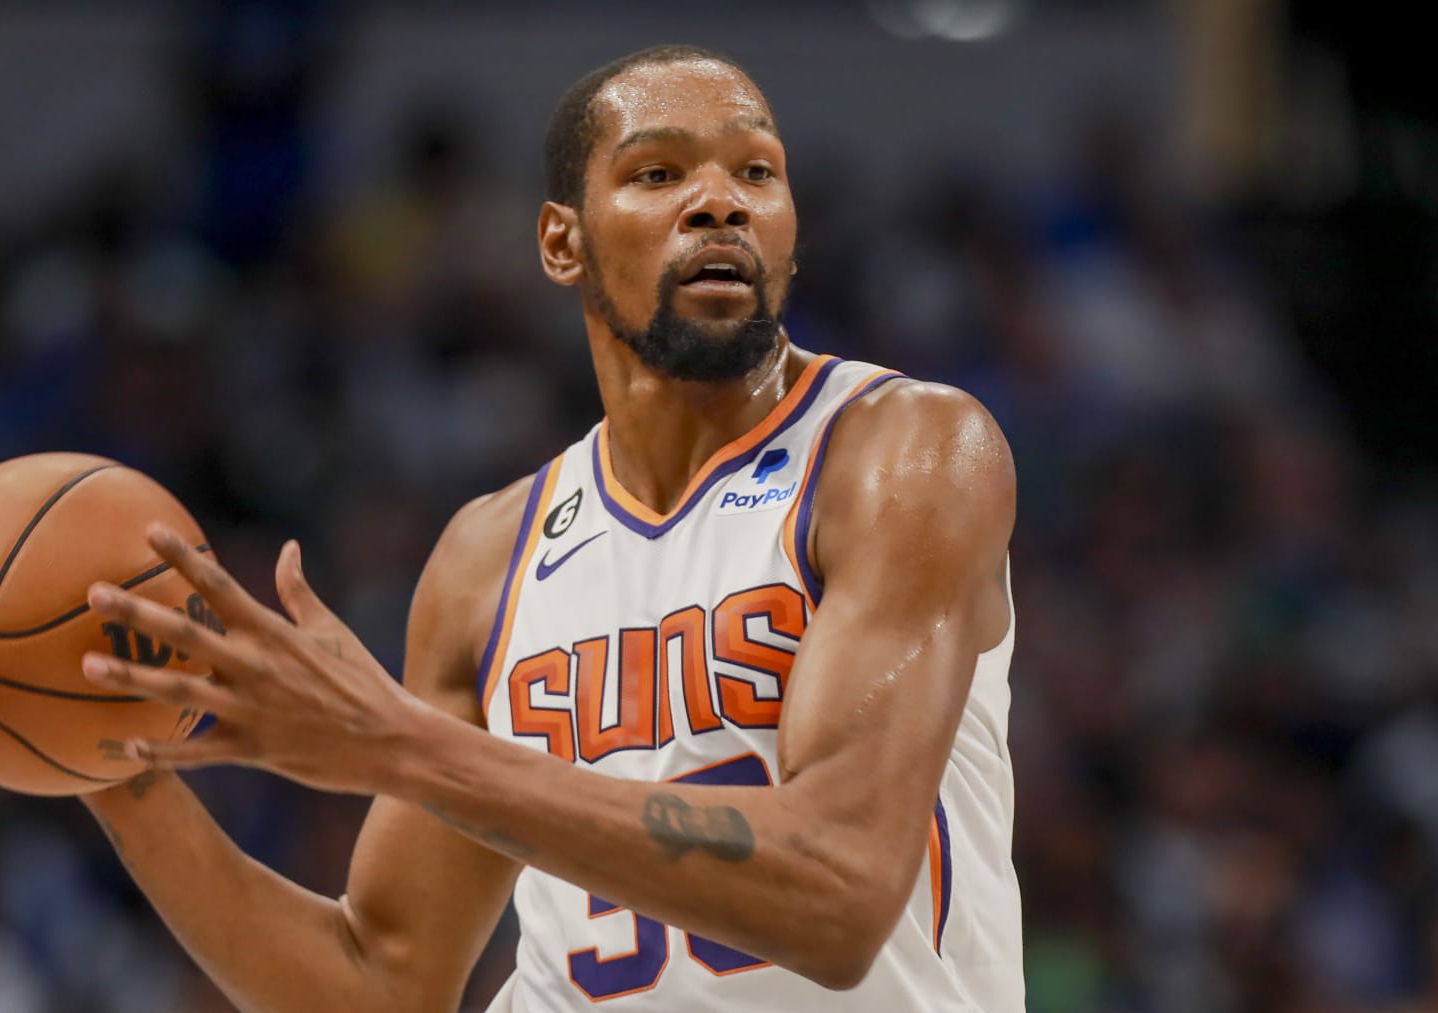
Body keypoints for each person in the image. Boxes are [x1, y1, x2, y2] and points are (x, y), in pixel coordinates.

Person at [76, 44, 1023, 1011]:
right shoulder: (488, 557)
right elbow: (379, 982)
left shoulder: (904, 453)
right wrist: (96, 759)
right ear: (562, 243)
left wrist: (401, 747)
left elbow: (838, 890)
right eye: (658, 173)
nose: (720, 202)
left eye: (756, 172)